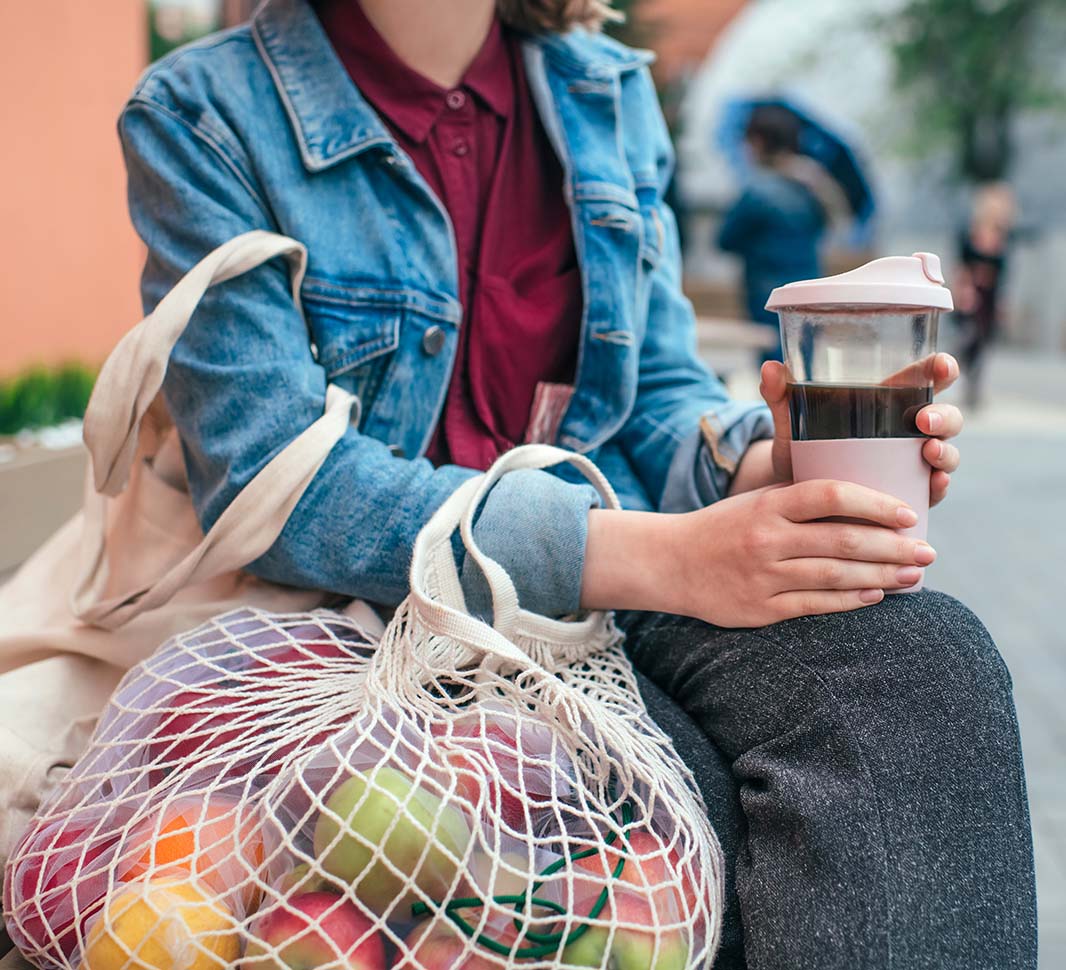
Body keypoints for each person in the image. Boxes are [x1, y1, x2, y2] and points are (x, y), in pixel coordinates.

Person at [118, 0, 1037, 966]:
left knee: (923, 664)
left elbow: (652, 392)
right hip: (379, 618)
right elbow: (272, 480)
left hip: (634, 583)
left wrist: (774, 464)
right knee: (679, 821)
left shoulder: (605, 89)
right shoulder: (205, 111)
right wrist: (660, 559)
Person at [717, 104, 846, 362]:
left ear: (759, 141)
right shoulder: (813, 184)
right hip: (810, 289)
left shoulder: (757, 191)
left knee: (775, 368)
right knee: (806, 369)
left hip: (768, 296)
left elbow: (724, 240)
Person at [955, 182, 1016, 408]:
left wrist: (1002, 303)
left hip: (991, 295)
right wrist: (964, 291)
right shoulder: (969, 233)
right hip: (972, 293)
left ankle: (974, 388)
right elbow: (962, 265)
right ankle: (962, 372)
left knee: (984, 341)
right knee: (969, 338)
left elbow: (1004, 274)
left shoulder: (1004, 238)